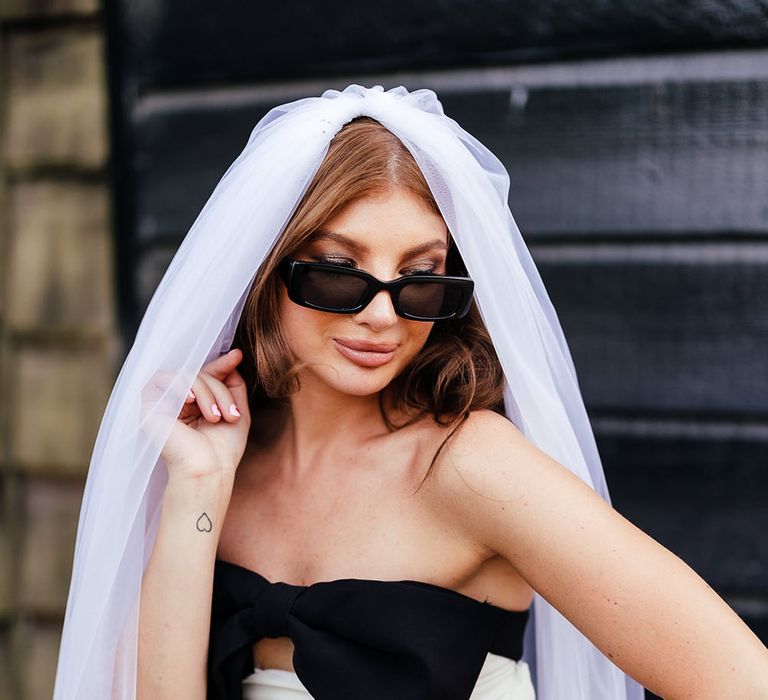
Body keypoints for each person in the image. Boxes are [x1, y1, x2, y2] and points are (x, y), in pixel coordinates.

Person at [53, 85, 768, 700]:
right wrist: (200, 487)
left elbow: (738, 679)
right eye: (339, 273)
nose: (383, 315)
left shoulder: (471, 466)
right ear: (264, 270)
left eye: (422, 279)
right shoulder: (212, 462)